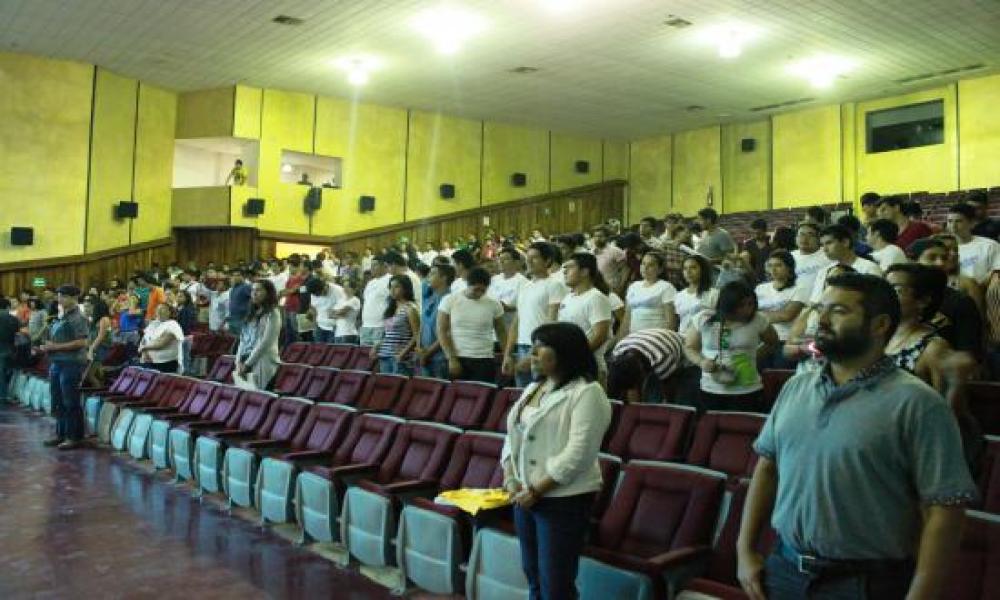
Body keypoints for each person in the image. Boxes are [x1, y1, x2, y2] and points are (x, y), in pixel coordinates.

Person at [737, 273, 977, 600]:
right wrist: (745, 550)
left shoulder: (917, 403)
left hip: (865, 584)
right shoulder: (796, 387)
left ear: (879, 325)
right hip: (785, 571)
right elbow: (767, 468)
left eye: (838, 311)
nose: (820, 319)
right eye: (821, 308)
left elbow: (945, 510)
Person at [501, 322, 612, 600]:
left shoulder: (588, 392)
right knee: (533, 574)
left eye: (541, 347)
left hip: (562, 499)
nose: (534, 353)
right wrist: (510, 476)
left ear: (565, 352)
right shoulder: (535, 387)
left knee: (556, 582)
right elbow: (513, 435)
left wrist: (538, 489)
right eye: (533, 346)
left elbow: (579, 453)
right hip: (524, 494)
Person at [684, 281, 779, 413]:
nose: (748, 309)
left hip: (748, 388)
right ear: (727, 305)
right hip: (711, 387)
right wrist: (702, 362)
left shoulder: (758, 319)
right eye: (741, 305)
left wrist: (751, 358)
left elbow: (773, 343)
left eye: (751, 304)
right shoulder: (704, 319)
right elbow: (689, 347)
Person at [503, 242, 567, 388]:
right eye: (528, 257)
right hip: (521, 346)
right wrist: (507, 354)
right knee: (522, 396)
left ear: (548, 260)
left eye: (535, 258)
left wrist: (534, 353)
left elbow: (552, 325)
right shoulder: (525, 286)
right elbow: (516, 323)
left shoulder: (554, 285)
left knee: (539, 394)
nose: (529, 261)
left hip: (542, 348)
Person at [909, 238, 983, 356]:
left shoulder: (960, 301)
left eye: (944, 258)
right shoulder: (902, 297)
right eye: (932, 258)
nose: (940, 263)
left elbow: (969, 351)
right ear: (912, 261)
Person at [39, 285, 90, 449]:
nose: (59, 299)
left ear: (73, 298)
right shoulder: (62, 316)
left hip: (71, 363)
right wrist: (48, 346)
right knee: (58, 401)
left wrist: (54, 347)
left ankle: (74, 437)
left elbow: (82, 342)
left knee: (70, 401)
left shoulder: (78, 318)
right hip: (58, 363)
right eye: (59, 296)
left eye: (62, 296)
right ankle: (61, 434)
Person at [438, 267, 506, 383]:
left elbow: (501, 332)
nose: (479, 294)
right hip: (457, 357)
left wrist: (507, 355)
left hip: (484, 359)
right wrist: (451, 358)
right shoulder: (449, 300)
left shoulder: (494, 304)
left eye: (483, 291)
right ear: (468, 284)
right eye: (476, 289)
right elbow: (442, 331)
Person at [558, 253, 613, 383]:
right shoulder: (567, 298)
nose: (564, 271)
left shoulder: (596, 298)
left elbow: (600, 335)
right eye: (564, 268)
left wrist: (577, 356)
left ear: (584, 272)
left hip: (589, 366)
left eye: (570, 267)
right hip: (568, 364)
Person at [806, 225, 883, 306]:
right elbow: (814, 302)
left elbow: (875, 303)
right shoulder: (824, 271)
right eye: (822, 245)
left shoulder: (869, 268)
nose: (824, 249)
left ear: (845, 242)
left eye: (829, 243)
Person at [608, 328, 689, 404]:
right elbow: (630, 387)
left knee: (680, 399)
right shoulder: (617, 351)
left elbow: (669, 389)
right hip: (649, 342)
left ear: (642, 372)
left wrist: (666, 405)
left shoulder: (662, 356)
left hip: (688, 351)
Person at [755, 251, 803, 369]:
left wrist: (758, 315)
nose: (773, 269)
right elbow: (749, 313)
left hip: (786, 339)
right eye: (770, 265)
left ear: (789, 268)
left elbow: (787, 315)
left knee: (780, 374)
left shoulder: (800, 288)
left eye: (778, 265)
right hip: (762, 339)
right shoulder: (760, 288)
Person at [235, 280, 282, 390]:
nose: (254, 293)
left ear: (268, 293)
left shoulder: (273, 313)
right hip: (245, 360)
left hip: (262, 362)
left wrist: (247, 364)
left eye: (258, 290)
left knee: (261, 397)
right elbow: (243, 340)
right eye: (252, 290)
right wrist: (238, 361)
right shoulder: (252, 312)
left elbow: (265, 342)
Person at [620, 251, 678, 337]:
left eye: (650, 265)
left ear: (660, 269)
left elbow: (671, 322)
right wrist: (620, 340)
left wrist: (664, 341)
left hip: (656, 338)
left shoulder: (667, 287)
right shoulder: (633, 286)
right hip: (634, 338)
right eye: (643, 264)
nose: (645, 267)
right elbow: (626, 319)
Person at [372, 275, 419, 375]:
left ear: (405, 289)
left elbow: (417, 335)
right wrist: (377, 346)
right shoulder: (391, 309)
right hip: (385, 355)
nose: (392, 290)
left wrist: (403, 353)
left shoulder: (410, 308)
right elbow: (388, 335)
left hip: (400, 358)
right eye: (390, 287)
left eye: (396, 287)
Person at [948, 202, 1000, 287]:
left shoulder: (990, 245)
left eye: (959, 221)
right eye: (949, 221)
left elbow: (997, 271)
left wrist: (975, 287)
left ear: (972, 223)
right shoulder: (941, 247)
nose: (953, 226)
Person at [417, 264, 453, 379]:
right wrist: (420, 349)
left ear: (444, 278)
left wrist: (428, 353)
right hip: (424, 355)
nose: (428, 277)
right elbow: (422, 326)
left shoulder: (451, 299)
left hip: (440, 357)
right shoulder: (429, 298)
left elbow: (447, 332)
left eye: (432, 274)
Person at [674, 254, 718, 334]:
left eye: (693, 267)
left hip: (705, 339)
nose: (688, 272)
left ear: (702, 270)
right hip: (682, 338)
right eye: (685, 268)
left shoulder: (713, 294)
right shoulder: (679, 295)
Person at [489, 247, 528, 332]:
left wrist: (507, 307)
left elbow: (524, 308)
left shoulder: (523, 282)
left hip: (511, 328)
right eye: (499, 259)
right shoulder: (494, 279)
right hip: (493, 329)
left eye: (506, 259)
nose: (501, 262)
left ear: (516, 262)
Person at [790, 222, 834, 296]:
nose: (804, 238)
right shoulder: (789, 256)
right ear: (796, 238)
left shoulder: (828, 255)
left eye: (810, 235)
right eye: (801, 234)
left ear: (818, 239)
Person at [138, 304, 184, 374]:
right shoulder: (153, 324)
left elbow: (161, 344)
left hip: (166, 363)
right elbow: (144, 340)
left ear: (170, 312)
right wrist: (145, 353)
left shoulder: (173, 324)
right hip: (149, 361)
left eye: (163, 309)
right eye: (157, 309)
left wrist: (144, 348)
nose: (159, 311)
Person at [360, 256, 392, 347]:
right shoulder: (370, 283)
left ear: (384, 266)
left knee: (379, 357)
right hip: (366, 326)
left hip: (381, 327)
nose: (372, 268)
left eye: (375, 265)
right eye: (371, 265)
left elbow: (394, 305)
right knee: (364, 357)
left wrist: (389, 328)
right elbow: (366, 303)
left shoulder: (390, 279)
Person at [83, 295, 113, 388]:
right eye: (85, 307)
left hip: (101, 348)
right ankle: (100, 389)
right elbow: (89, 336)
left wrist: (91, 350)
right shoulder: (93, 319)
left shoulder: (104, 319)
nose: (86, 309)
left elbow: (100, 337)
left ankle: (98, 394)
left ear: (95, 307)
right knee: (95, 374)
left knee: (89, 375)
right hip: (95, 348)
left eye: (88, 306)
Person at [306, 276, 343, 344]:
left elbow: (345, 311)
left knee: (331, 352)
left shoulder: (338, 291)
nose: (321, 295)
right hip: (320, 327)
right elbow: (314, 308)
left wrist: (338, 324)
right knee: (319, 351)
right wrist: (314, 325)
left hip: (334, 328)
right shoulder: (314, 293)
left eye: (321, 293)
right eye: (317, 295)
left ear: (324, 285)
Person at [0, 298, 20, 403]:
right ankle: (4, 395)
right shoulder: (13, 319)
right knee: (5, 372)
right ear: (8, 307)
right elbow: (17, 333)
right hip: (9, 348)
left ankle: (3, 395)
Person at [741, 218, 772, 283]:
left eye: (758, 233)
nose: (756, 236)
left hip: (770, 277)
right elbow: (744, 262)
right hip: (754, 278)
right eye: (754, 233)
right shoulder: (748, 244)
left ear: (765, 231)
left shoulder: (772, 242)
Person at [332, 278, 361, 344]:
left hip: (349, 333)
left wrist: (338, 313)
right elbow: (330, 314)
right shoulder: (341, 300)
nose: (345, 289)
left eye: (348, 287)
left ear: (354, 289)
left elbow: (341, 312)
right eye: (344, 286)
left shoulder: (355, 300)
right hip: (338, 334)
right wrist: (339, 314)